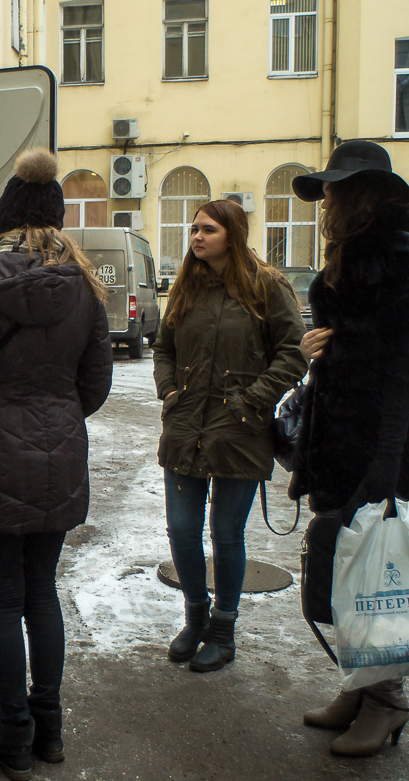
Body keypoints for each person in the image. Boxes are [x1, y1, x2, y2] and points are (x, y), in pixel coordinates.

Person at [0, 147, 112, 781]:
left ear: (6, 218)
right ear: (58, 218)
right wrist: (58, 417)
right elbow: (96, 383)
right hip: (58, 455)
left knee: (2, 599)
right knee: (43, 593)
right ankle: (51, 728)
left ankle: (14, 734)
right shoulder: (85, 288)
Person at [288, 140, 409, 757]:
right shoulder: (356, 250)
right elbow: (356, 345)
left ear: (360, 195)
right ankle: (359, 687)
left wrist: (387, 463)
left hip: (384, 447)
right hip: (345, 439)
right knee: (349, 571)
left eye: (334, 190)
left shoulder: (401, 255)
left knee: (379, 574)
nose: (325, 201)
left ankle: (388, 702)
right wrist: (321, 349)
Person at [152, 199, 308, 673]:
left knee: (226, 533)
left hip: (240, 429)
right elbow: (163, 348)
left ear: (233, 235)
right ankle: (195, 616)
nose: (197, 237)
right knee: (182, 530)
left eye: (208, 229)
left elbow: (293, 352)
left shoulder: (266, 286)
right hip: (185, 426)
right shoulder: (188, 285)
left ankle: (223, 629)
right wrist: (169, 390)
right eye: (194, 229)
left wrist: (252, 400)